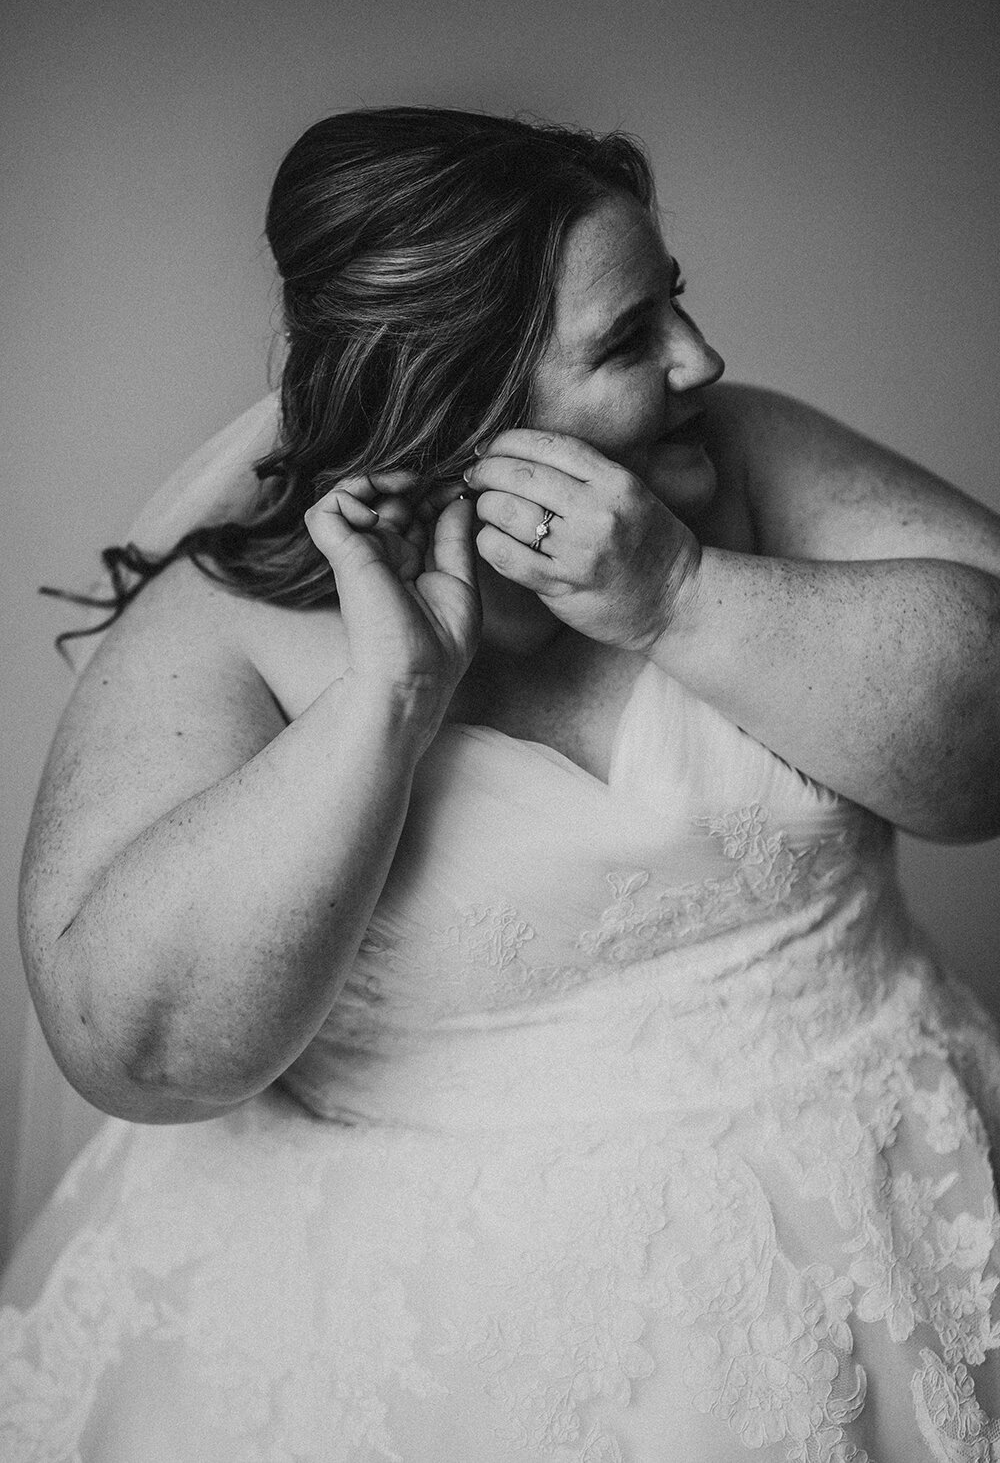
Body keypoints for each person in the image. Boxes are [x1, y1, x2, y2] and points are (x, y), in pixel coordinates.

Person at [3, 105, 1000, 1463]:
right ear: (459, 404)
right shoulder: (218, 627)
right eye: (627, 339)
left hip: (896, 1226)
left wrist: (683, 598)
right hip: (422, 1348)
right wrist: (389, 702)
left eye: (677, 303)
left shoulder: (750, 465)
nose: (702, 357)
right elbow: (140, 1049)